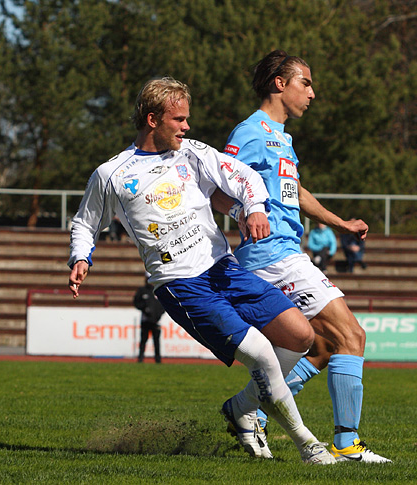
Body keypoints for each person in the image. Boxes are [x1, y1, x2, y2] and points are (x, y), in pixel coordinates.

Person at [68, 77, 335, 465]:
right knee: (261, 355)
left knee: (300, 336)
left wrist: (255, 207)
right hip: (181, 283)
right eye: (179, 119)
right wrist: (80, 258)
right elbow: (84, 222)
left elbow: (245, 177)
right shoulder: (112, 173)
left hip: (223, 268)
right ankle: (309, 446)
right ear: (152, 119)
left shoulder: (192, 153)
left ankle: (243, 408)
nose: (187, 127)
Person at [213, 50, 391, 463]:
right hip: (272, 256)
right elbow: (220, 190)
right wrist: (246, 213)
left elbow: (294, 191)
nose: (312, 93)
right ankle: (346, 445)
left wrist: (339, 222)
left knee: (325, 346)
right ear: (280, 83)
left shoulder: (282, 138)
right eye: (305, 83)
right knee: (352, 336)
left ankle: (245, 409)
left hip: (287, 252)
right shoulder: (251, 132)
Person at [133, 277, 165, 363]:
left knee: (156, 341)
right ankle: (140, 358)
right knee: (143, 340)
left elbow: (164, 305)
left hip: (156, 320)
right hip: (145, 320)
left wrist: (158, 315)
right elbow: (136, 302)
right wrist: (144, 309)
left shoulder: (159, 290)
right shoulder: (142, 290)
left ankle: (158, 359)